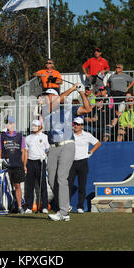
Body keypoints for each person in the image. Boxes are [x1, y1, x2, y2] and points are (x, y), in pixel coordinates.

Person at [42, 84, 91, 221]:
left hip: (67, 145)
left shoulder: (68, 109)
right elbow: (56, 102)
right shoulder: (46, 109)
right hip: (52, 147)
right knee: (52, 180)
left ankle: (63, 212)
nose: (46, 98)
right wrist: (72, 88)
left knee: (61, 177)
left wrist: (81, 93)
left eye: (48, 95)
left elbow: (87, 108)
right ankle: (65, 205)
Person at [68, 117, 101, 214]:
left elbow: (98, 143)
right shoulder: (69, 135)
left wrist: (90, 152)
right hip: (71, 162)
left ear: (82, 126)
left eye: (78, 124)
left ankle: (80, 207)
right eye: (75, 124)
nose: (76, 126)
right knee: (68, 185)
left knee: (82, 185)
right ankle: (66, 205)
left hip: (82, 162)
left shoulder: (87, 135)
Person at [0, 115, 26, 214]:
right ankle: (6, 206)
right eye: (7, 123)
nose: (8, 125)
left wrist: (24, 165)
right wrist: (0, 160)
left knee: (17, 185)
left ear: (13, 124)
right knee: (6, 186)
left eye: (10, 123)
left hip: (17, 165)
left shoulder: (20, 136)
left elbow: (23, 151)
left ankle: (19, 206)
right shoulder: (2, 136)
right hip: (6, 165)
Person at [23, 119, 50, 214]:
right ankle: (29, 206)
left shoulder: (44, 137)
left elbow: (48, 149)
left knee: (42, 185)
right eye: (32, 125)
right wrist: (25, 165)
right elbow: (25, 152)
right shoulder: (27, 138)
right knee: (29, 186)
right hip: (30, 162)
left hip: (40, 162)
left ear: (40, 127)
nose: (33, 127)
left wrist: (45, 155)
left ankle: (45, 206)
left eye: (35, 125)